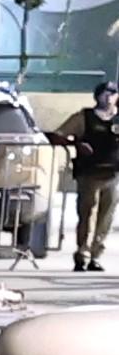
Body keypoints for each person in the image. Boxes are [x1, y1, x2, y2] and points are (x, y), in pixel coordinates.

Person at [62, 97, 119, 271]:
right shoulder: (84, 117)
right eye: (106, 93)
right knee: (87, 214)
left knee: (106, 217)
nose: (109, 98)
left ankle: (95, 254)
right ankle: (82, 254)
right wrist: (77, 144)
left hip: (113, 174)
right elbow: (60, 134)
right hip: (90, 173)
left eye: (113, 94)